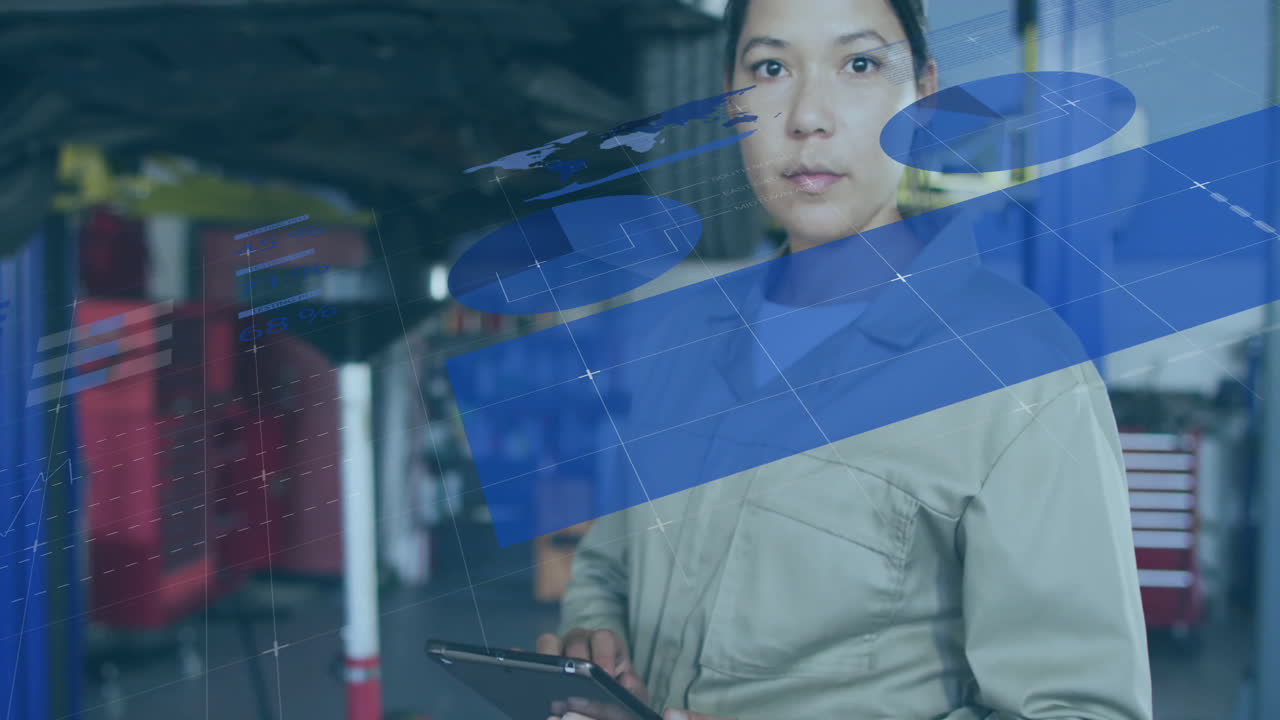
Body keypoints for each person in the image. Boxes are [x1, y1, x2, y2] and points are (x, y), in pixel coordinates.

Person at [538, 0, 1154, 718]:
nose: (807, 116)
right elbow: (609, 564)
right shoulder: (681, 337)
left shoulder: (1016, 375)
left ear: (923, 94)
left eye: (858, 64)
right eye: (770, 69)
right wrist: (599, 642)